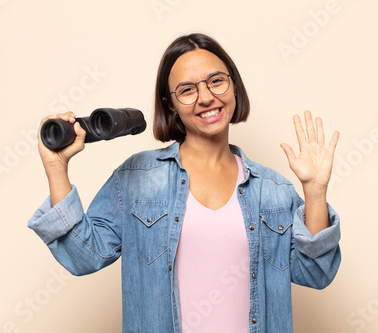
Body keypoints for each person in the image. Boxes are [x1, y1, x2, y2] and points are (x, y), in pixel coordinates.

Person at [28, 33, 341, 333]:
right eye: (188, 89)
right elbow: (84, 257)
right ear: (171, 104)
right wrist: (57, 170)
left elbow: (315, 273)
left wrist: (314, 192)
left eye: (216, 81)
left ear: (234, 87)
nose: (206, 97)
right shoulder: (136, 179)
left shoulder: (273, 191)